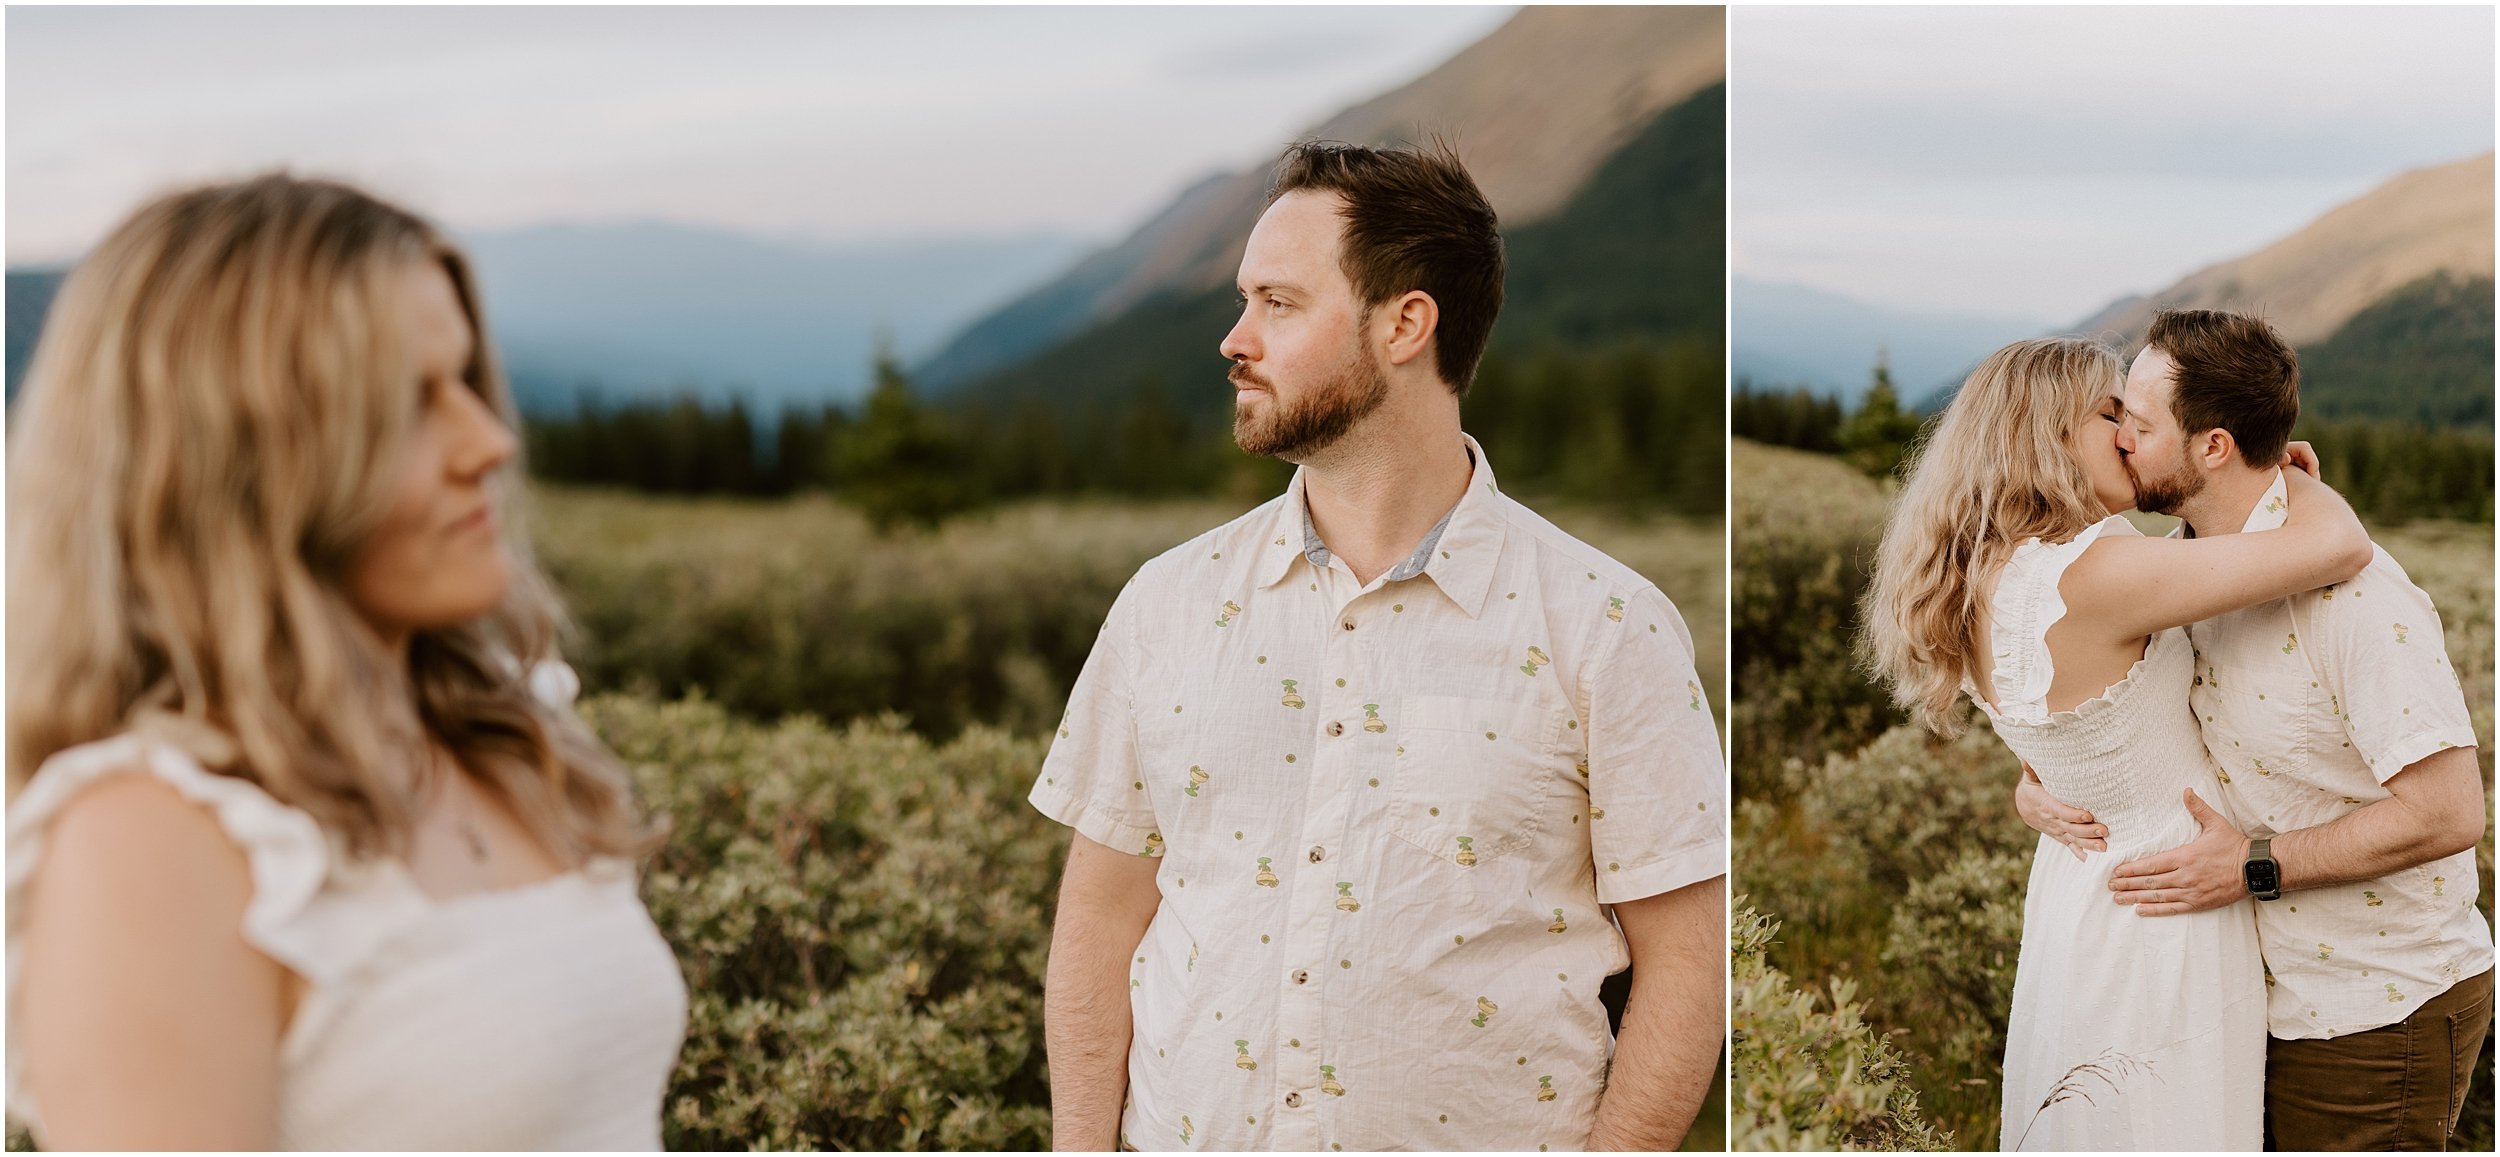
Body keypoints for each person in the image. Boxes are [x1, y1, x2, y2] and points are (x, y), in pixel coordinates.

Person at [1029, 141, 1726, 1152]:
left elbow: (1689, 961)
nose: (1234, 339)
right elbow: (1098, 918)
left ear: (1405, 324)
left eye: (1278, 303)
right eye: (1243, 301)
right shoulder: (1164, 606)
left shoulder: (1606, 625)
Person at [5, 176, 688, 1149]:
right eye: (410, 406)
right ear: (239, 460)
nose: (489, 439)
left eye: (465, 381)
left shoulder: (495, 737)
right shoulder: (153, 841)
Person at [1863, 335, 2376, 1150]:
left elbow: (2063, 736)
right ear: (2048, 433)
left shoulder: (1984, 572)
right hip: (2168, 902)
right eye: (2111, 415)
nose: (2130, 436)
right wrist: (2288, 476)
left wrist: (2031, 788)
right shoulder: (2095, 571)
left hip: (2080, 897)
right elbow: (2340, 547)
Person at [2015, 309, 2492, 1150]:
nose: (2118, 436)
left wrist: (2253, 865)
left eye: (2141, 421)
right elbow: (2129, 713)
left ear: (2213, 447)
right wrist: (2048, 779)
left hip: (2374, 1009)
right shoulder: (2177, 568)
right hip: (2247, 999)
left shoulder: (2357, 602)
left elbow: (2450, 814)